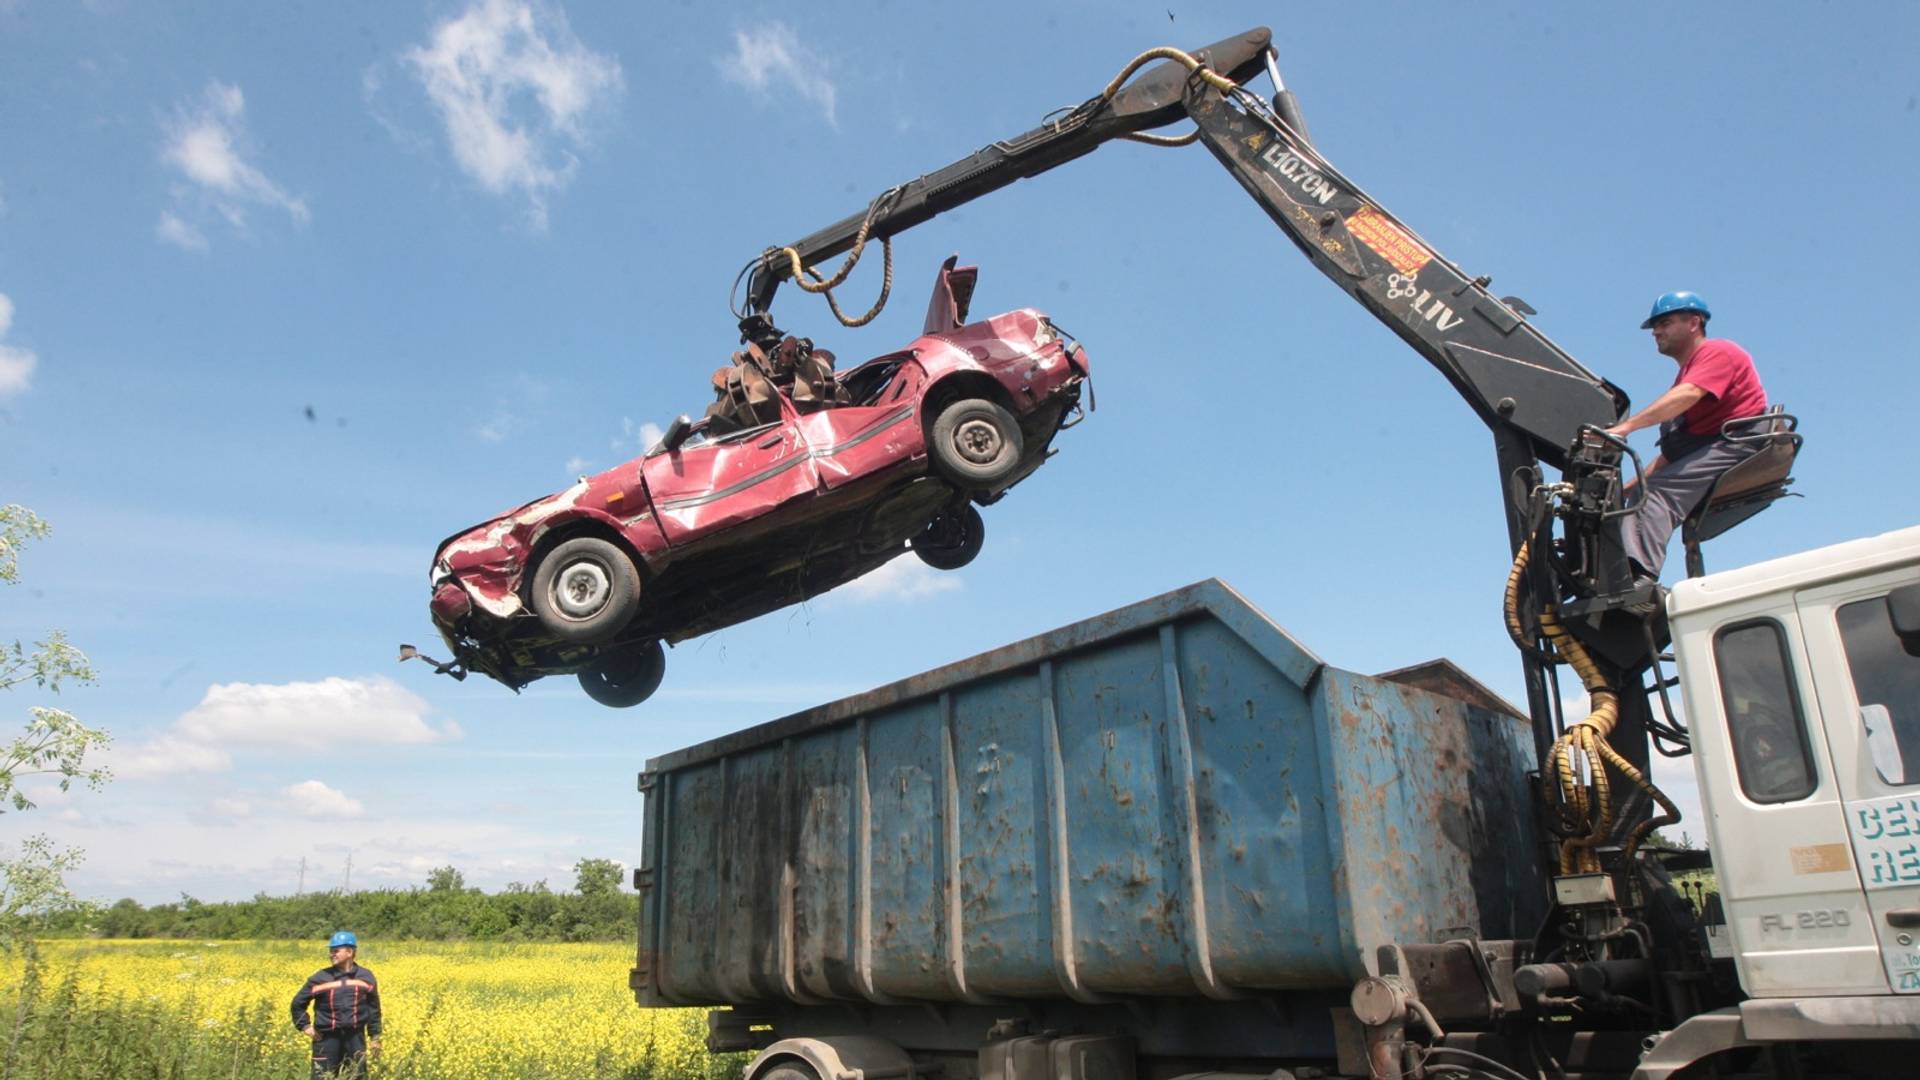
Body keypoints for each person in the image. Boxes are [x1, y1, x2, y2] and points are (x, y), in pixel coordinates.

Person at [1602, 291, 1768, 583]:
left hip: (1741, 443)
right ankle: (1623, 572)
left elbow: (1688, 394)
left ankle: (1638, 579)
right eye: (1655, 326)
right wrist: (1626, 489)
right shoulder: (1688, 374)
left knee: (1654, 495)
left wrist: (1626, 427)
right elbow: (1674, 456)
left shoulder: (1718, 352)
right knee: (1643, 490)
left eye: (1664, 323)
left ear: (1694, 322)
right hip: (1719, 444)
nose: (1656, 331)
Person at [291, 930, 383, 1078]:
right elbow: (297, 1004)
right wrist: (305, 1026)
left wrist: (375, 1037)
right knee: (323, 1076)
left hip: (355, 1038)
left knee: (355, 1076)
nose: (331, 954)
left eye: (336, 951)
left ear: (350, 952)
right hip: (326, 1039)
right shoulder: (320, 978)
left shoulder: (366, 977)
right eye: (330, 951)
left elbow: (374, 1009)